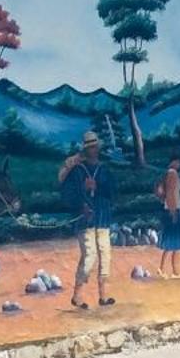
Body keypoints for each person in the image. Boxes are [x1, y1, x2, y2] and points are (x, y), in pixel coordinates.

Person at [59, 131, 117, 309]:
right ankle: (77, 295)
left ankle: (103, 295)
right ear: (86, 149)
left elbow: (113, 192)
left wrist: (97, 186)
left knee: (105, 256)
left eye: (95, 146)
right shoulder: (77, 170)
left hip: (103, 219)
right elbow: (68, 194)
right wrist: (80, 204)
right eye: (90, 147)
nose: (94, 149)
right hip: (86, 221)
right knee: (89, 257)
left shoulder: (104, 169)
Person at [154, 157, 180, 276]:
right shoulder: (172, 174)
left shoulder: (167, 174)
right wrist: (173, 211)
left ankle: (164, 269)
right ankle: (173, 270)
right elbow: (171, 193)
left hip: (170, 209)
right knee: (174, 243)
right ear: (173, 162)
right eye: (177, 162)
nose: (179, 164)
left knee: (170, 243)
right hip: (173, 209)